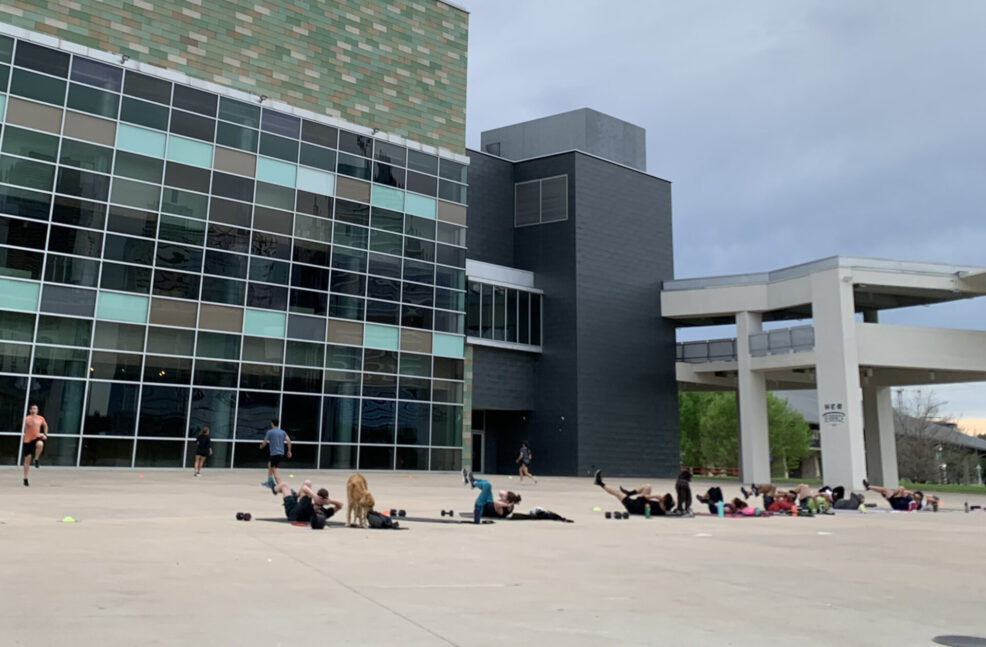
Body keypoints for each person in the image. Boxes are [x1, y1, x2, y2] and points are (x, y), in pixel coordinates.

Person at [592, 470, 675, 516]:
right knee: (648, 487)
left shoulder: (656, 506)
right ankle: (629, 493)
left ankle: (599, 483)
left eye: (662, 495)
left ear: (663, 499)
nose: (660, 494)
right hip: (641, 504)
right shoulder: (665, 508)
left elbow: (640, 498)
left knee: (616, 492)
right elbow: (672, 503)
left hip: (633, 506)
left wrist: (656, 496)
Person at [273, 479, 343, 523]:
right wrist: (330, 501)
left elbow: (304, 488)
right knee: (307, 483)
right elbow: (340, 505)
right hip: (298, 507)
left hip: (292, 511)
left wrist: (315, 496)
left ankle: (274, 490)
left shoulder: (307, 505)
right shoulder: (325, 512)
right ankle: (296, 494)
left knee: (284, 484)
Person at [863, 479, 939, 511]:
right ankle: (869, 487)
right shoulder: (918, 500)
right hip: (900, 501)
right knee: (888, 489)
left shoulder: (924, 504)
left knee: (896, 489)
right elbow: (924, 496)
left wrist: (934, 500)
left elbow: (931, 501)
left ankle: (889, 495)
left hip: (900, 503)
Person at [259, 419, 291, 489]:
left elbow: (265, 442)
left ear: (272, 424)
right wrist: (289, 451)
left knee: (275, 471)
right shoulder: (283, 432)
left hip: (274, 454)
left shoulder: (270, 432)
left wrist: (261, 446)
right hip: (280, 454)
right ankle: (269, 482)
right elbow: (288, 440)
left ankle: (282, 486)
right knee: (270, 465)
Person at [22, 403, 48, 487]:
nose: (34, 410)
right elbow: (30, 424)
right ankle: (25, 478)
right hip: (28, 440)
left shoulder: (41, 418)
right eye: (33, 409)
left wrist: (45, 434)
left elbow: (45, 425)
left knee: (40, 444)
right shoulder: (27, 418)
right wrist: (33, 416)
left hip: (36, 437)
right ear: (30, 410)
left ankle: (36, 459)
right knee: (27, 460)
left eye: (36, 409)